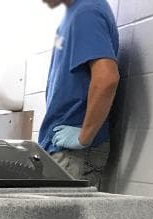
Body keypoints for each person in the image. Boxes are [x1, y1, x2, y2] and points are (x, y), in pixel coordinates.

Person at [38, 0, 120, 189]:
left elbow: (107, 77)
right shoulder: (74, 14)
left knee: (63, 210)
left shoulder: (87, 12)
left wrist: (84, 137)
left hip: (74, 153)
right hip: (61, 146)